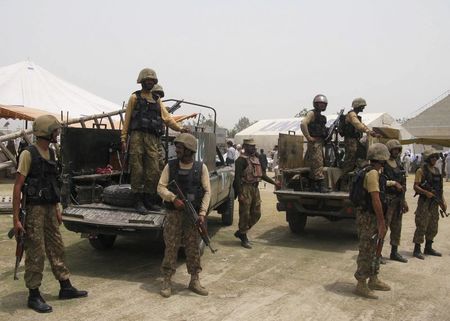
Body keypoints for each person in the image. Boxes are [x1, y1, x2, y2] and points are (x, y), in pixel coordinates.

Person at [13, 115, 87, 313]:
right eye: (55, 130)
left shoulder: (52, 153)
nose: (57, 133)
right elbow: (18, 187)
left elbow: (52, 184)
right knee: (36, 252)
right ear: (47, 131)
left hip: (49, 208)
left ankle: (65, 286)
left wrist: (57, 208)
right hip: (34, 210)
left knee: (57, 247)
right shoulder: (28, 154)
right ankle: (34, 294)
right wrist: (16, 219)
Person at [121, 68, 185, 212]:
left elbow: (167, 118)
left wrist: (180, 128)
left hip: (152, 138)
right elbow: (127, 120)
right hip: (137, 137)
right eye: (147, 80)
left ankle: (148, 200)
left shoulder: (157, 100)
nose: (149, 82)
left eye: (152, 80)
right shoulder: (134, 98)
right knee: (137, 170)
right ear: (142, 81)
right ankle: (138, 201)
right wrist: (123, 139)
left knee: (153, 171)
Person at [157, 133, 211, 298]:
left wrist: (202, 214)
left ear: (189, 150)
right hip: (174, 214)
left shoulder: (201, 168)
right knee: (171, 247)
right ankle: (167, 280)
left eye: (179, 147)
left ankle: (194, 280)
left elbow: (207, 191)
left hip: (192, 215)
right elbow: (160, 187)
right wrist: (173, 199)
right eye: (177, 146)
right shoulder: (170, 166)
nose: (176, 149)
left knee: (193, 247)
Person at [354, 143, 391, 299]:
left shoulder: (372, 172)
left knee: (376, 248)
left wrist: (393, 183)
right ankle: (361, 283)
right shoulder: (372, 174)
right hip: (369, 217)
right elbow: (375, 199)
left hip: (370, 216)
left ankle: (373, 279)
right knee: (367, 249)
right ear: (382, 159)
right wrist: (382, 223)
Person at [233, 138, 279, 249]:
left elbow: (262, 175)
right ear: (245, 147)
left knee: (256, 214)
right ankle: (243, 237)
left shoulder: (256, 159)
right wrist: (240, 194)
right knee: (245, 213)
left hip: (255, 189)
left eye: (254, 146)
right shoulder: (240, 160)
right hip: (245, 188)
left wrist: (274, 183)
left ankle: (241, 231)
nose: (253, 148)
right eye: (251, 146)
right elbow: (237, 179)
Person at [412, 148, 447, 260]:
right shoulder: (421, 170)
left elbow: (439, 189)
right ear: (428, 159)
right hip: (424, 202)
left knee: (433, 225)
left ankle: (428, 247)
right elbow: (416, 186)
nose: (434, 159)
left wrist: (443, 202)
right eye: (432, 157)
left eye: (435, 157)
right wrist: (425, 192)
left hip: (434, 203)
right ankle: (417, 249)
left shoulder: (437, 171)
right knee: (422, 224)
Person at [383, 140, 409, 263]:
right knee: (383, 228)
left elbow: (403, 183)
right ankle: (377, 253)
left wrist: (404, 201)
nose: (397, 152)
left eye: (398, 150)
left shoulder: (398, 163)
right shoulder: (383, 164)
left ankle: (394, 252)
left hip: (398, 201)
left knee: (397, 227)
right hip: (387, 200)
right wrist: (393, 183)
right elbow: (380, 181)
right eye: (394, 150)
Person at [341, 98, 379, 174]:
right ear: (358, 106)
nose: (363, 108)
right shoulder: (352, 115)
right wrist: (368, 131)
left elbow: (362, 125)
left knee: (357, 156)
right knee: (350, 158)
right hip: (350, 140)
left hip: (355, 139)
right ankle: (344, 176)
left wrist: (370, 132)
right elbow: (357, 125)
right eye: (362, 106)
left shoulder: (355, 115)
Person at [300, 94, 329, 192]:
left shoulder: (320, 116)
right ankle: (321, 186)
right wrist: (308, 137)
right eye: (320, 104)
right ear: (315, 104)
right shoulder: (312, 114)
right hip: (315, 142)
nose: (322, 106)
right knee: (318, 163)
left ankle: (314, 186)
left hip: (319, 142)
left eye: (324, 104)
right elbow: (303, 123)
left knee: (315, 164)